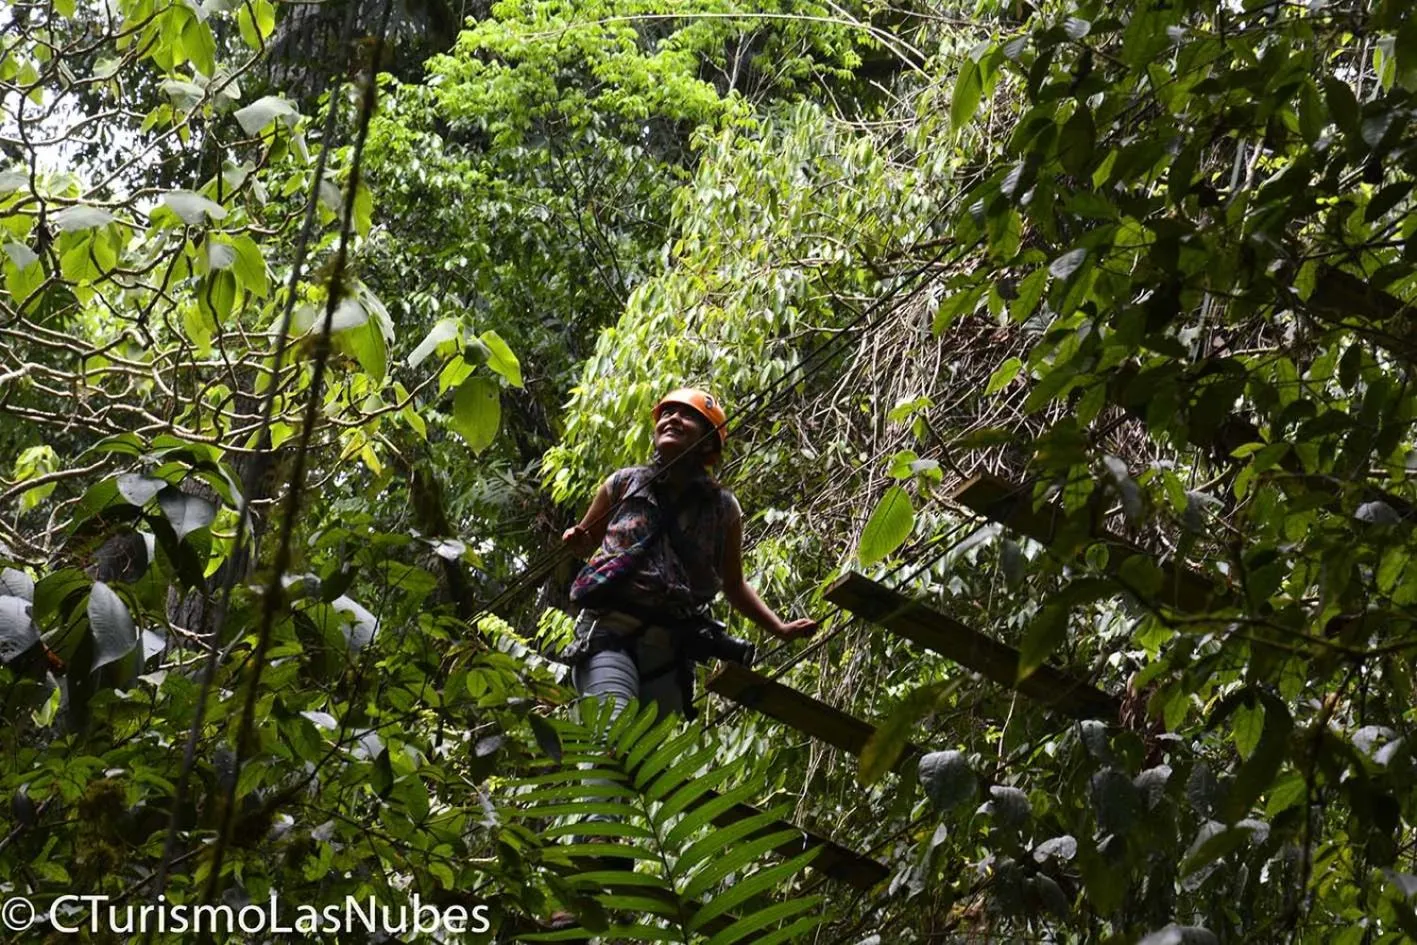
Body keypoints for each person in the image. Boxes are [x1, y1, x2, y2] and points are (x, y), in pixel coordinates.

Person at [559, 388, 817, 720]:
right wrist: (575, 540)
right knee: (612, 734)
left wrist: (779, 629)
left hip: (669, 649)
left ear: (708, 441)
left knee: (648, 765)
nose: (672, 419)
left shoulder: (722, 509)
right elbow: (586, 543)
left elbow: (733, 584)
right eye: (667, 414)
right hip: (610, 630)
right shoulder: (623, 484)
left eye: (687, 416)